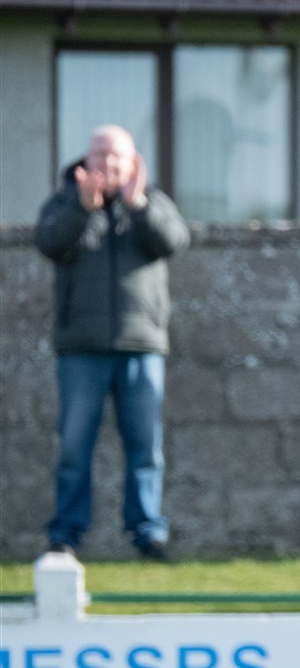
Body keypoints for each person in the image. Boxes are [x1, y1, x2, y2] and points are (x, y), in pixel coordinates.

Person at [35, 124, 190, 560]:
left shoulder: (151, 201)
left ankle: (147, 532)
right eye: (100, 156)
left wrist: (138, 206)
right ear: (86, 161)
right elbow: (47, 243)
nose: (108, 164)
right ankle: (66, 534)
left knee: (145, 446)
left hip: (142, 345)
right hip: (81, 347)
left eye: (117, 157)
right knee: (73, 446)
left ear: (133, 162)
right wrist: (84, 210)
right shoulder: (65, 202)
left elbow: (174, 241)